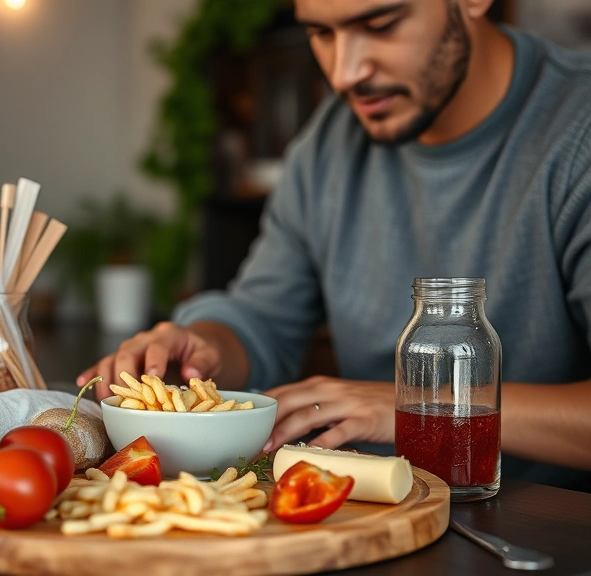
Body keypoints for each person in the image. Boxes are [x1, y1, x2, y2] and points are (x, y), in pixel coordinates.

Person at [78, 0, 591, 490]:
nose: (344, 73)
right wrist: (202, 347)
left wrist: (409, 405)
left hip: (539, 520)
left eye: (381, 24)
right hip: (368, 508)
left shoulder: (577, 131)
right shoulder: (327, 145)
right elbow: (263, 318)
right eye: (321, 32)